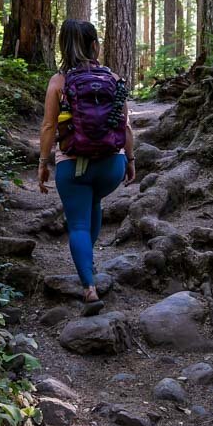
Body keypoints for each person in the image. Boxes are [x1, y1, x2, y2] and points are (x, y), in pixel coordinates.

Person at [38, 20, 135, 312]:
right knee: (94, 201)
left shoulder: (59, 82)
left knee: (78, 222)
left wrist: (43, 163)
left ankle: (89, 288)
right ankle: (88, 262)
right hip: (111, 165)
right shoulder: (113, 77)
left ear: (62, 46)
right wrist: (130, 160)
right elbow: (126, 125)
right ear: (95, 45)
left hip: (74, 165)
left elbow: (48, 126)